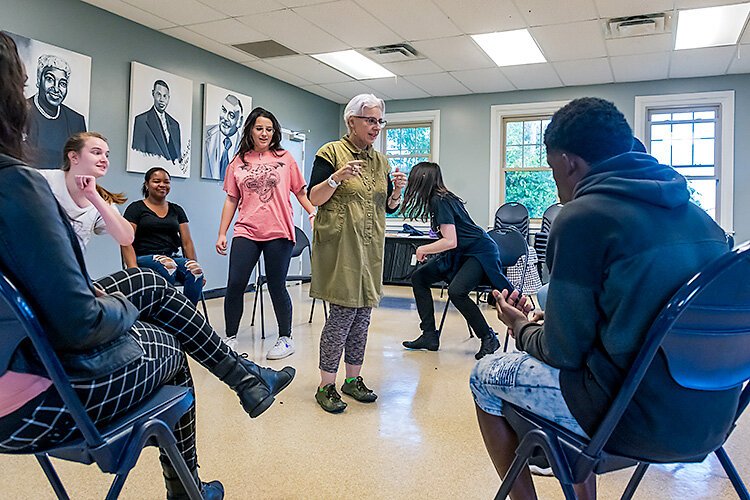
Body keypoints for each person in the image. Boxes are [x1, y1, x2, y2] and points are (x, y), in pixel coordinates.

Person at [0, 32, 295, 500]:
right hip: (34, 404)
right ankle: (190, 481)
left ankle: (246, 377)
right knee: (172, 348)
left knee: (145, 280)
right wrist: (119, 308)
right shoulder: (17, 186)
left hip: (17, 364)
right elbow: (81, 324)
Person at [469, 97, 739, 499]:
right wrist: (552, 319)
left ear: (567, 161)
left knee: (484, 376)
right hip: (715, 418)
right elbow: (643, 319)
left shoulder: (582, 217)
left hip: (631, 418)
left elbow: (563, 354)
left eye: (551, 166)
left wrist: (520, 325)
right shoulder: (700, 217)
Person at [307, 94, 408, 413]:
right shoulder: (330, 152)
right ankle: (326, 385)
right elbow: (314, 197)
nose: (376, 126)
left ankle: (353, 379)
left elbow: (387, 208)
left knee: (363, 316)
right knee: (342, 316)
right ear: (351, 121)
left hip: (370, 248)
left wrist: (396, 194)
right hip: (340, 246)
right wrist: (336, 178)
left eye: (380, 121)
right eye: (370, 120)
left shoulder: (382, 162)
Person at [216, 107, 316, 360]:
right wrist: (222, 233)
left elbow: (300, 191)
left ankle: (285, 338)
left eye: (269, 129)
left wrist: (313, 213)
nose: (264, 133)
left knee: (276, 285)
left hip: (279, 230)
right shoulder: (239, 161)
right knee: (236, 284)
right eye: (259, 128)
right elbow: (231, 199)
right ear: (250, 129)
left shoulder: (286, 157)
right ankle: (230, 338)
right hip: (246, 229)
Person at [400, 162, 512, 359]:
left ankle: (488, 337)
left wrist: (423, 249)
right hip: (461, 252)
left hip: (479, 252)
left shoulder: (440, 200)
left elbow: (450, 241)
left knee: (457, 292)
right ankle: (429, 336)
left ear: (422, 179)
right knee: (419, 278)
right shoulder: (439, 198)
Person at [121, 167, 205, 306]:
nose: (162, 185)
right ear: (147, 184)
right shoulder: (135, 208)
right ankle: (164, 313)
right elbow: (126, 241)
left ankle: (187, 315)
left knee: (195, 270)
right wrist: (133, 271)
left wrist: (194, 263)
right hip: (144, 258)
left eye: (166, 182)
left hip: (171, 257)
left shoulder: (176, 210)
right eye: (156, 181)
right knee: (168, 265)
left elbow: (187, 243)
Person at [38, 131, 133, 252]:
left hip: (67, 268)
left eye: (107, 155)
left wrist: (93, 196)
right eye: (97, 153)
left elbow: (126, 238)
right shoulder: (42, 179)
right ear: (74, 157)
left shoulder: (100, 200)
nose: (104, 160)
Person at [25, 54, 86, 169]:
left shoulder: (76, 121)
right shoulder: (20, 111)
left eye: (62, 83)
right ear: (38, 80)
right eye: (50, 79)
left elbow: (80, 167)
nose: (56, 88)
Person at [132, 80, 181, 163]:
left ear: (169, 98)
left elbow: (178, 157)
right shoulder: (142, 121)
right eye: (159, 94)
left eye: (165, 96)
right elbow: (137, 156)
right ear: (153, 94)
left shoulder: (175, 124)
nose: (162, 100)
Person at [203, 94, 243, 180]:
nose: (225, 118)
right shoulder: (205, 135)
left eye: (231, 115)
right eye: (224, 111)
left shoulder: (246, 147)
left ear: (240, 121)